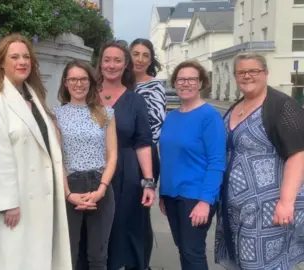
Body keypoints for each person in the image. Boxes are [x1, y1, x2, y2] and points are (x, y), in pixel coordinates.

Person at [0, 33, 72, 270]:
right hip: (13, 205)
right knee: (12, 260)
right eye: (14, 57)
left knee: (35, 258)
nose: (22, 62)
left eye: (26, 57)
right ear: (1, 63)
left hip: (38, 197)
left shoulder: (33, 96)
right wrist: (9, 203)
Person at [215, 53, 304, 270]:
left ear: (265, 73)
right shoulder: (237, 106)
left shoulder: (282, 105)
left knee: (262, 264)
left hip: (269, 206)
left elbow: (298, 154)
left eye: (253, 71)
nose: (247, 76)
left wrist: (286, 202)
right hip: (236, 206)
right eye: (241, 72)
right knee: (240, 262)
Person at [88, 40, 155, 270]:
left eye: (117, 60)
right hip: (92, 170)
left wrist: (148, 182)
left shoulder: (135, 100)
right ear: (100, 63)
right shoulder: (88, 95)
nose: (111, 65)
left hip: (127, 172)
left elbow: (143, 143)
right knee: (95, 227)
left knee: (125, 226)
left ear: (125, 64)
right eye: (107, 60)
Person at [158, 60, 226, 270]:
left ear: (201, 83)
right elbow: (169, 157)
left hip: (196, 196)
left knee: (193, 251)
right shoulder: (172, 116)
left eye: (191, 79)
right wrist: (163, 193)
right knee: (183, 248)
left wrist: (206, 201)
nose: (185, 83)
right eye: (181, 79)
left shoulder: (210, 116)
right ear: (175, 83)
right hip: (172, 195)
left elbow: (217, 162)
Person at [53, 60, 118, 269]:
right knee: (69, 254)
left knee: (98, 255)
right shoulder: (56, 115)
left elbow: (113, 154)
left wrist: (101, 189)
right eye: (73, 79)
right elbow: (57, 158)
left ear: (90, 82)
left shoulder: (106, 113)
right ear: (65, 83)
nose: (78, 84)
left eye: (83, 79)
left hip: (100, 185)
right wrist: (68, 194)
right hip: (70, 186)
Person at [129, 38, 167, 266]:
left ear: (151, 59)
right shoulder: (118, 84)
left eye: (145, 55)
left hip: (145, 155)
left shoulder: (154, 86)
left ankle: (142, 263)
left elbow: (156, 125)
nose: (140, 59)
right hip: (120, 155)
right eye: (136, 54)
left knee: (140, 213)